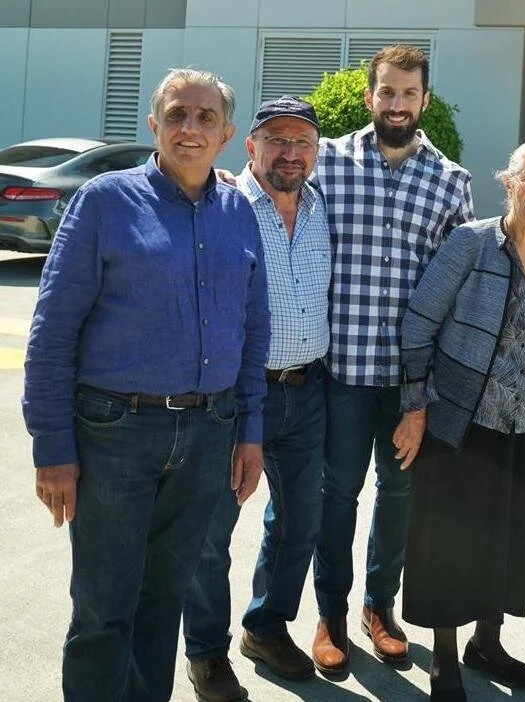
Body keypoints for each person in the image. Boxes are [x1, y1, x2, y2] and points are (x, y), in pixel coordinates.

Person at [22, 68, 269, 701]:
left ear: (227, 134)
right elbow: (51, 332)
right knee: (105, 604)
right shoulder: (104, 201)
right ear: (154, 125)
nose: (191, 129)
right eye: (177, 115)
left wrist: (250, 432)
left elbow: (252, 329)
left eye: (205, 118)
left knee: (163, 600)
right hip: (114, 433)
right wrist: (53, 449)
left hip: (209, 432)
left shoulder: (240, 209)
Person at [395, 140, 525, 701]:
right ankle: (446, 658)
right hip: (459, 423)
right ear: (508, 181)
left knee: (504, 544)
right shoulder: (470, 244)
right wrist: (414, 405)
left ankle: (487, 644)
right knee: (451, 543)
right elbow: (418, 325)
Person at [311, 43, 474, 673]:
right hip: (342, 373)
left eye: (409, 94)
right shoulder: (327, 163)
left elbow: (459, 288)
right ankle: (330, 613)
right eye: (387, 92)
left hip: (412, 385)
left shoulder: (451, 180)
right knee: (337, 495)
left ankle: (380, 607)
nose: (397, 104)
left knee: (399, 495)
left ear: (424, 100)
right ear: (369, 95)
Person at [181, 96, 331, 700]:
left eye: (302, 142)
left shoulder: (323, 206)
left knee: (300, 523)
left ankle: (266, 627)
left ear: (316, 153)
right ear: (249, 147)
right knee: (213, 529)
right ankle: (207, 653)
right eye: (277, 140)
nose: (290, 153)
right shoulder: (221, 203)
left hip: (309, 387)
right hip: (237, 397)